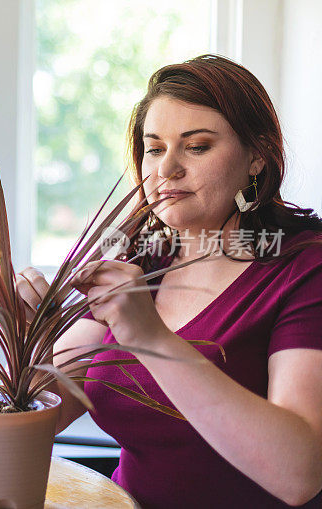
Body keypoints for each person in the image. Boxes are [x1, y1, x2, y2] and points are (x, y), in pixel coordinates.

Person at [16, 55, 322, 508]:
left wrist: (149, 337)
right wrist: (28, 337)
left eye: (196, 146)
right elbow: (46, 410)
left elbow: (299, 474)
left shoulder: (304, 268)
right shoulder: (139, 260)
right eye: (154, 148)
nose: (166, 169)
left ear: (257, 156)